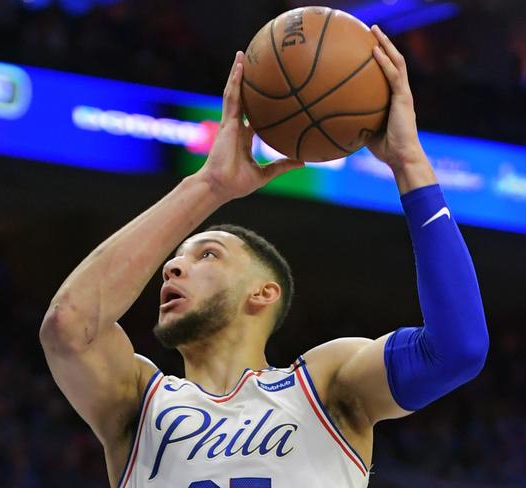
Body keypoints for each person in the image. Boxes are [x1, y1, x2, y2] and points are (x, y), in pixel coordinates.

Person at [39, 25, 489, 487]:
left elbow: (458, 349)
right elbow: (68, 325)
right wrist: (207, 187)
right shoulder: (135, 401)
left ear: (264, 292)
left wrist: (409, 161)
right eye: (177, 260)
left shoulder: (326, 386)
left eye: (207, 255)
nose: (172, 267)